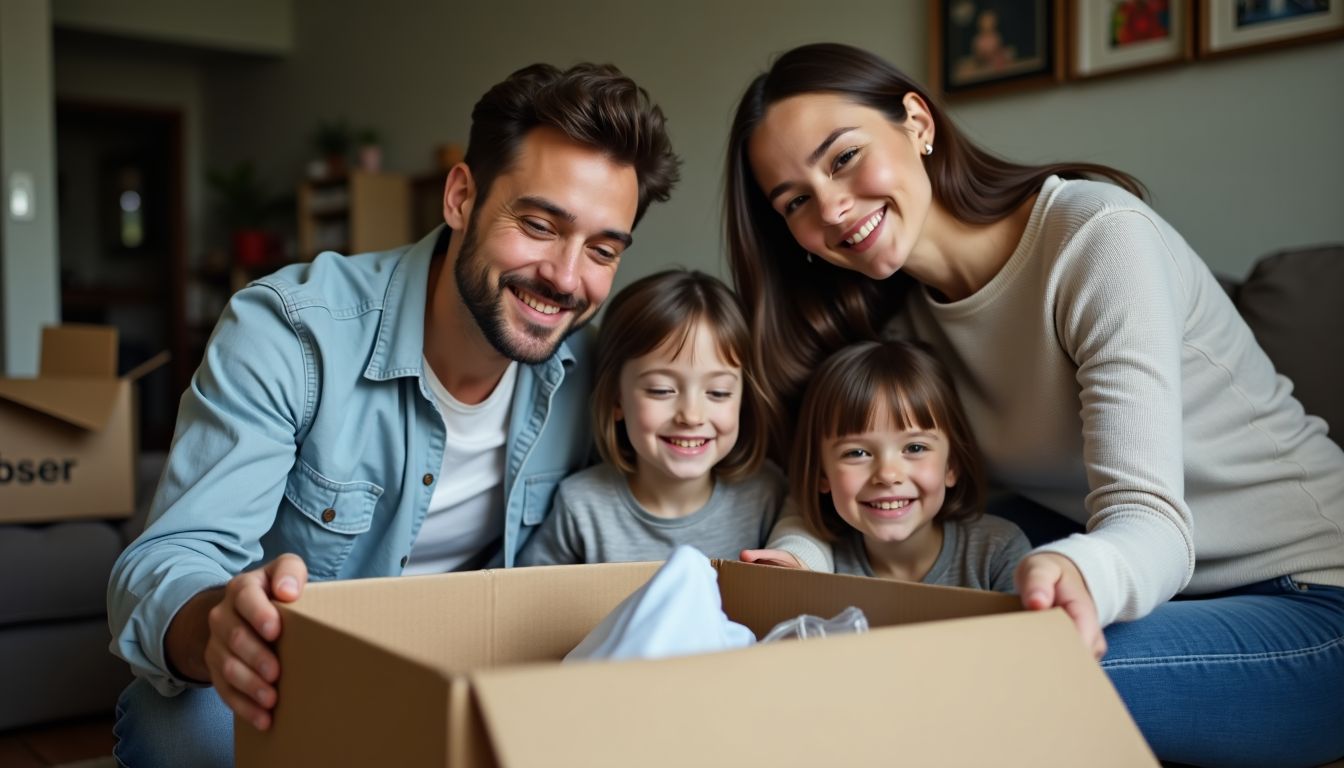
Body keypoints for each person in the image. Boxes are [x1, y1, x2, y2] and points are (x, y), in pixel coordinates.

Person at [725, 42, 1344, 766]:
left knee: (989, 681)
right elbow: (824, 472)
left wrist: (1078, 570)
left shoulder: (1094, 238)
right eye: (795, 201)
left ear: (918, 123)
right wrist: (799, 560)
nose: (830, 207)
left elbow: (1153, 524)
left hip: (1307, 597)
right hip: (1140, 592)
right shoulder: (901, 330)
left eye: (842, 159)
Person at [108, 61, 679, 768]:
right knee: (181, 731)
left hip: (469, 680)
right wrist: (220, 630)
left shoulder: (597, 374)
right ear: (462, 197)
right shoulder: (290, 334)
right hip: (300, 678)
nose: (565, 277)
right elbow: (166, 561)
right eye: (538, 224)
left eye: (601, 250)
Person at [517, 269, 785, 566]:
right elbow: (530, 604)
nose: (691, 415)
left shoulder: (766, 494)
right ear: (616, 399)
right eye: (661, 390)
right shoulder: (581, 506)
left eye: (718, 393)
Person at [746, 340, 1028, 592]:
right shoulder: (817, 568)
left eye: (915, 448)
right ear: (822, 473)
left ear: (951, 466)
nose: (887, 475)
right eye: (856, 453)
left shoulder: (997, 551)